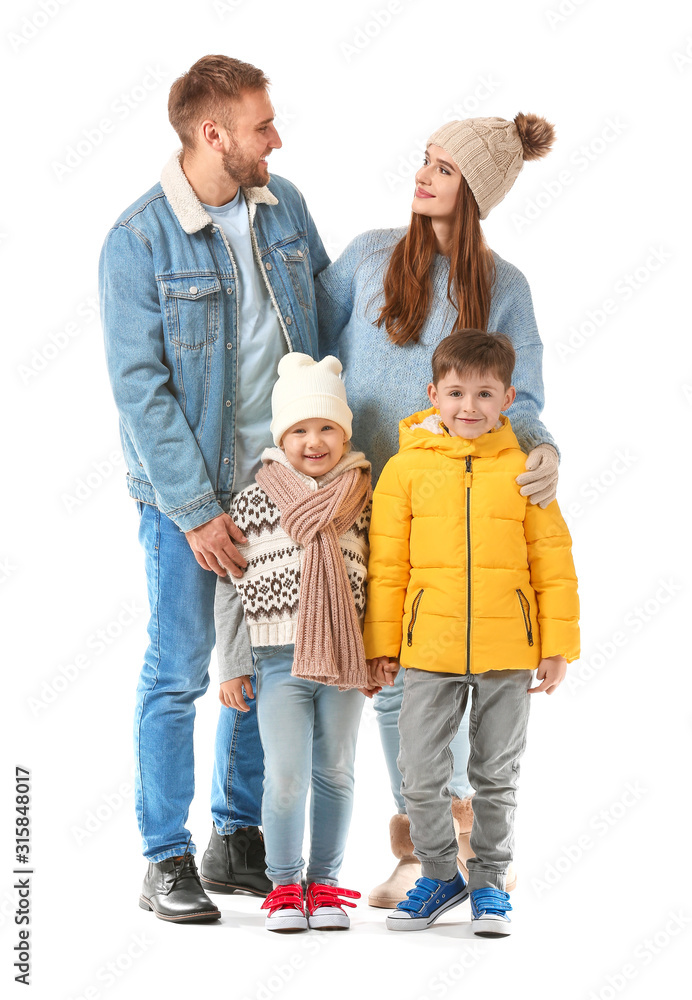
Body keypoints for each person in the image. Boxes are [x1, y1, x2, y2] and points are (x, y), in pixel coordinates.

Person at [98, 54, 329, 922]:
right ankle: (165, 856)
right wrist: (196, 512)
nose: (277, 138)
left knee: (266, 663)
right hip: (187, 494)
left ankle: (237, 835)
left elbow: (326, 323)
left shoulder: (284, 208)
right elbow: (140, 389)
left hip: (281, 485)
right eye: (263, 125)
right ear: (213, 133)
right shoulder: (137, 240)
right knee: (179, 671)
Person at [316, 113, 561, 906]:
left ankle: (452, 849)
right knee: (394, 679)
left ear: (478, 191)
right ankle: (435, 846)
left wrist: (546, 452)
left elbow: (520, 404)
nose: (423, 175)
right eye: (426, 159)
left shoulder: (507, 287)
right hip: (361, 498)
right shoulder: (366, 256)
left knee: (455, 675)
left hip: (454, 508)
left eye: (444, 168)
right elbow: (309, 357)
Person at [364, 330, 580, 936]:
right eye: (456, 392)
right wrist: (382, 645)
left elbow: (552, 560)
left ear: (508, 397)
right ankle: (438, 874)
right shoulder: (402, 473)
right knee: (419, 771)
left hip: (508, 650)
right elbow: (388, 566)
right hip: (427, 650)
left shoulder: (524, 472)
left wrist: (557, 644)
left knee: (495, 773)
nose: (469, 406)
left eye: (485, 393)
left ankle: (489, 883)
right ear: (433, 394)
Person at [214, 353, 373, 932]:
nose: (314, 440)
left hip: (347, 660)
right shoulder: (256, 500)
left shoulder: (363, 496)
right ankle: (284, 884)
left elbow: (381, 578)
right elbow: (231, 588)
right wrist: (233, 663)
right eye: (300, 429)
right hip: (278, 659)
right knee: (285, 773)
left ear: (345, 431)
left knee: (336, 769)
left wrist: (379, 652)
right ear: (282, 435)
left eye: (327, 426)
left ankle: (325, 885)